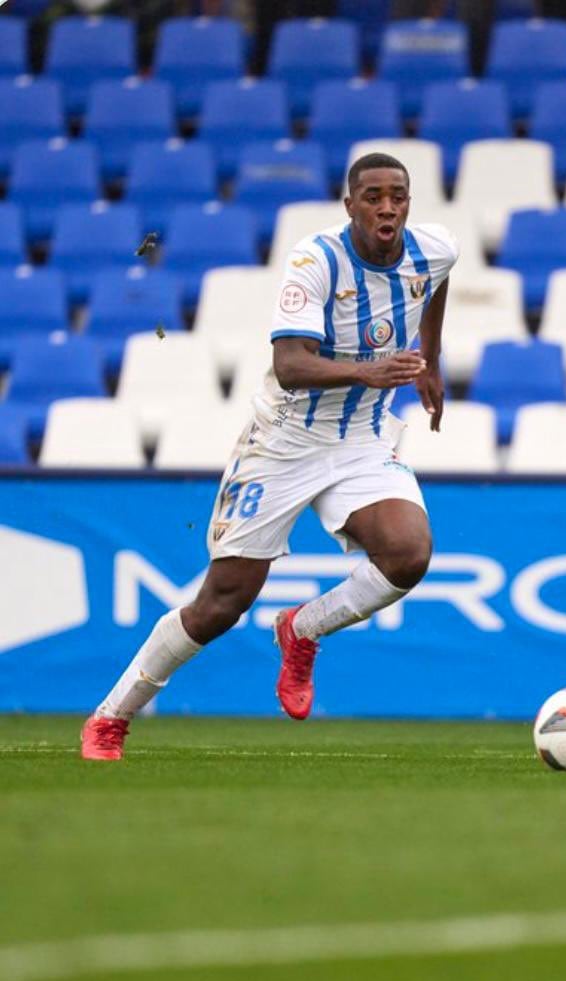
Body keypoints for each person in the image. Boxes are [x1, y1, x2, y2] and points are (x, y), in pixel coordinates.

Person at [81, 152, 459, 760]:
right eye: (373, 196)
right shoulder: (316, 261)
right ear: (350, 205)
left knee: (409, 554)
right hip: (282, 443)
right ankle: (111, 715)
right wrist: (371, 371)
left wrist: (430, 362)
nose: (387, 206)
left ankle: (302, 629)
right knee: (222, 604)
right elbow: (289, 366)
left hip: (360, 439)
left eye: (398, 195)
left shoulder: (435, 248)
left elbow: (435, 284)